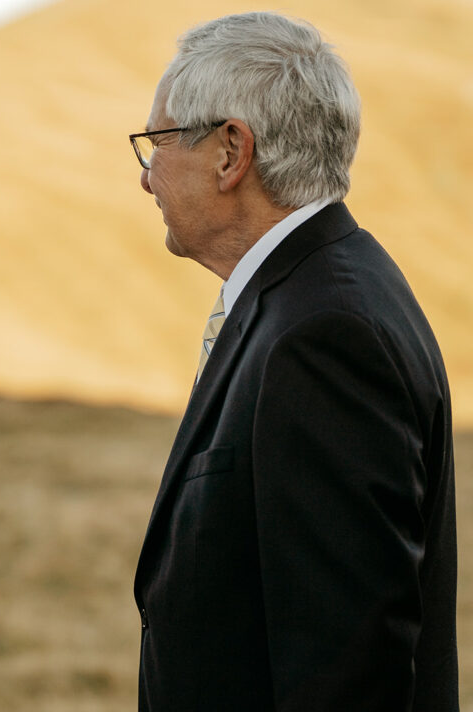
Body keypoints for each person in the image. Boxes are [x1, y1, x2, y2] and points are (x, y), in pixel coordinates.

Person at [130, 13, 457, 711]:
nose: (146, 178)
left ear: (230, 152)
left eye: (156, 142)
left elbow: (349, 669)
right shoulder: (315, 293)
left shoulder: (326, 336)